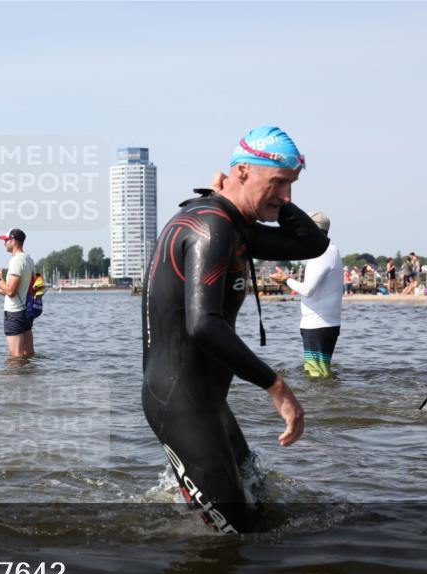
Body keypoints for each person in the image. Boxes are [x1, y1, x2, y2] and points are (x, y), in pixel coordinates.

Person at [142, 125, 329, 534]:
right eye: (278, 182)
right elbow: (203, 324)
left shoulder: (233, 224)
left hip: (207, 400)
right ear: (242, 171)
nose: (287, 195)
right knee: (235, 534)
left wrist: (276, 198)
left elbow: (312, 244)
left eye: (292, 185)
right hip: (179, 400)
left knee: (258, 508)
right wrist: (276, 387)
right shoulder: (211, 226)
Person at [270, 212, 343, 378]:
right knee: (319, 374)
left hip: (318, 325)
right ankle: (329, 394)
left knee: (316, 376)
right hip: (323, 323)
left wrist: (285, 279)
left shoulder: (323, 253)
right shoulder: (329, 250)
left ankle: (327, 395)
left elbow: (307, 290)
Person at [0, 228, 36, 357]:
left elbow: (11, 291)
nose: (4, 243)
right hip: (26, 312)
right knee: (28, 355)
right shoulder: (29, 259)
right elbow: (20, 291)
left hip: (15, 313)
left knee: (16, 357)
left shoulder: (16, 261)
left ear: (13, 241)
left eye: (6, 240)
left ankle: (16, 372)